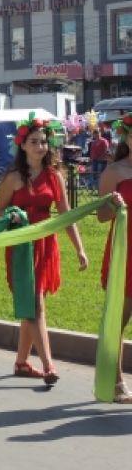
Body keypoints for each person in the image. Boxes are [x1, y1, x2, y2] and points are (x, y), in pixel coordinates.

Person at [0, 118, 86, 384]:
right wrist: (11, 215)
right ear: (22, 145)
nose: (40, 146)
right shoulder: (13, 178)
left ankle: (22, 362)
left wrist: (80, 249)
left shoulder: (55, 176)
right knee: (34, 304)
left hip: (46, 245)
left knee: (31, 303)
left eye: (44, 141)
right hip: (22, 246)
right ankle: (49, 365)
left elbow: (66, 216)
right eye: (34, 141)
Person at [97, 115, 132, 404]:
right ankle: (116, 379)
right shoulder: (114, 171)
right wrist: (115, 205)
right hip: (126, 250)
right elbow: (101, 216)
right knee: (119, 319)